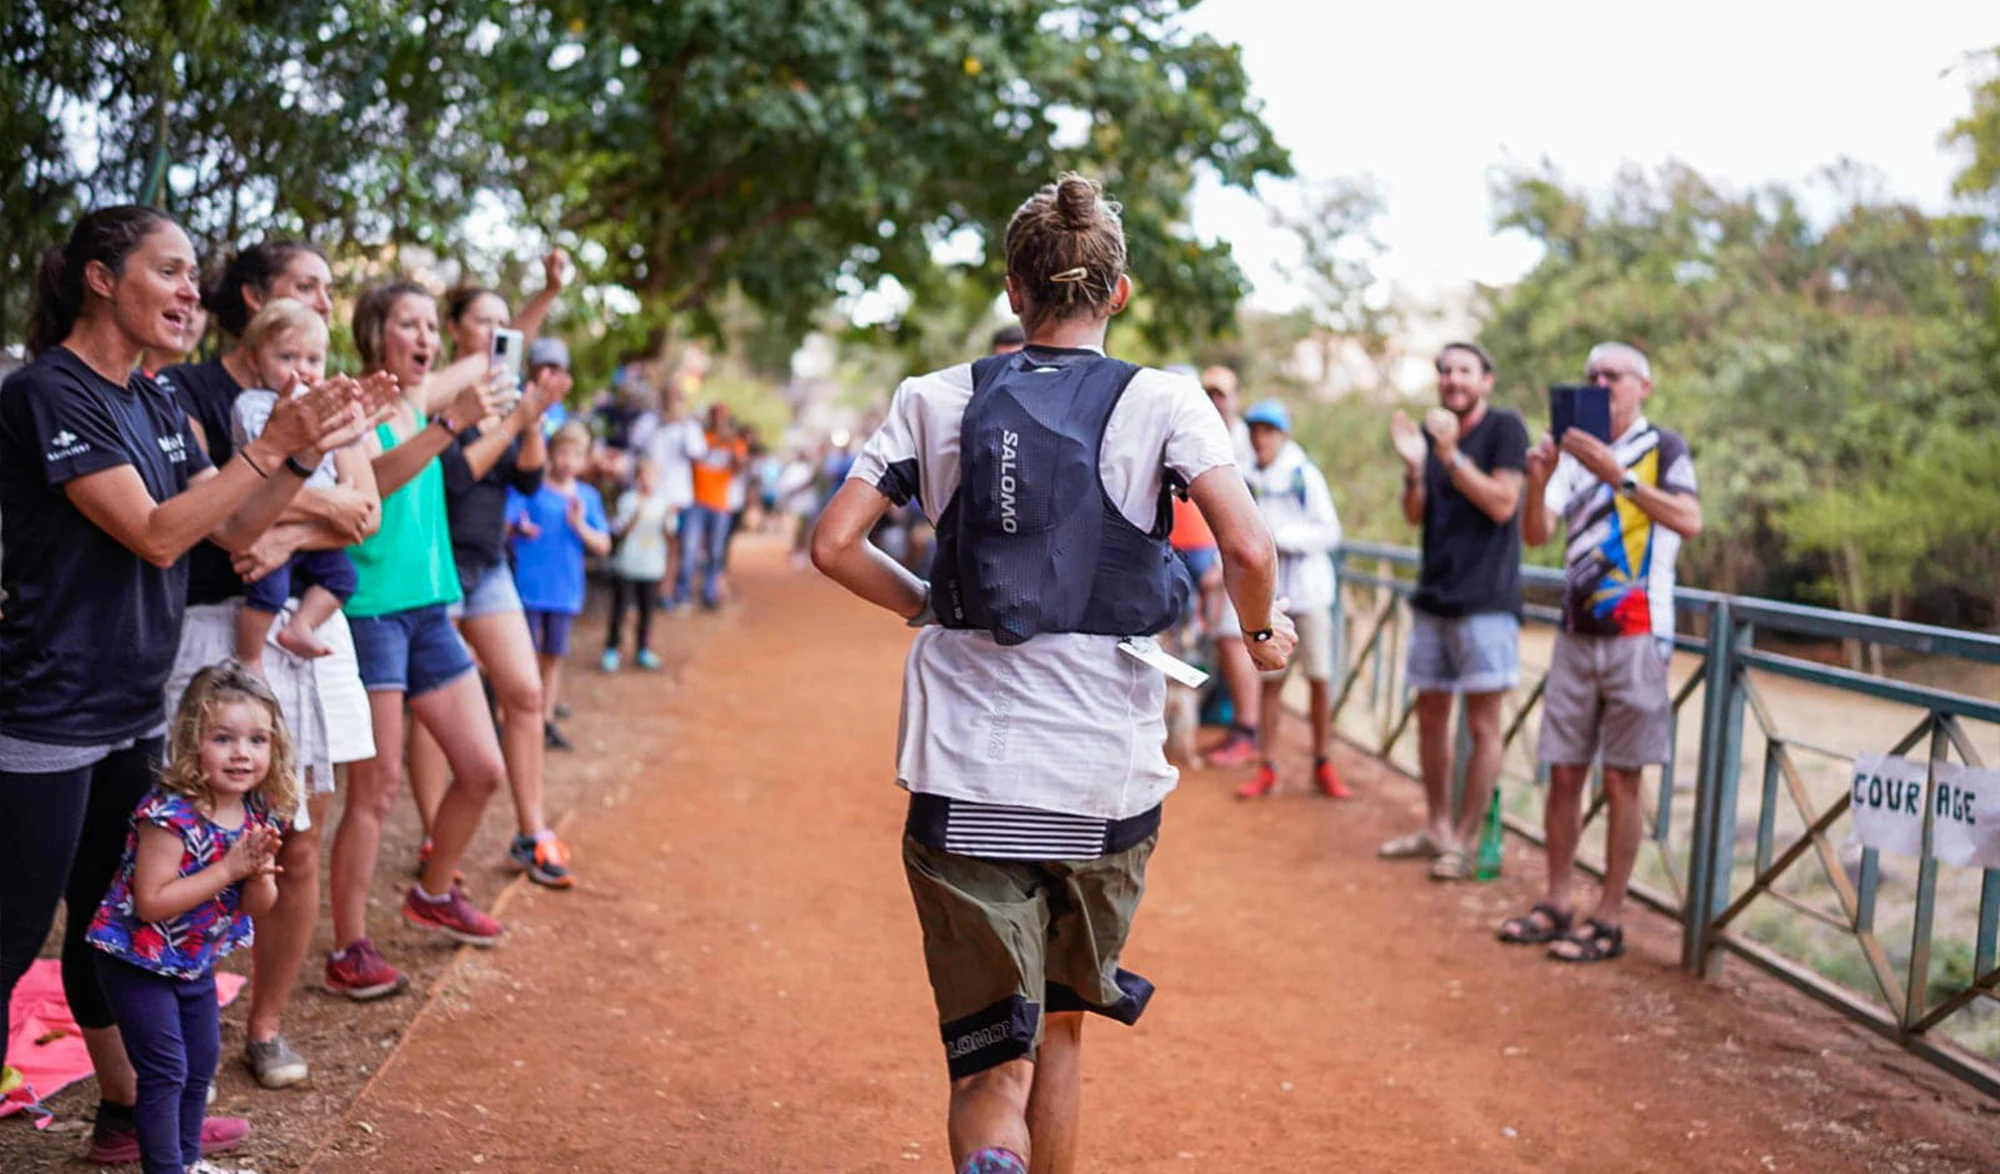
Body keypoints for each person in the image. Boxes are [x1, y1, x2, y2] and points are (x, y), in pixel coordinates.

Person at [813, 173, 1293, 1174]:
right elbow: (1245, 549)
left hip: (965, 775)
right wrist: (1261, 638)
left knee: (992, 1063)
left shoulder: (934, 398)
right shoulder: (1166, 399)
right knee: (1064, 1030)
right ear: (1116, 292)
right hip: (1102, 781)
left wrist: (922, 601)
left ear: (1011, 290)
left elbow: (832, 544)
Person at [0, 207, 358, 1162]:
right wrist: (264, 450)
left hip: (130, 706)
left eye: (194, 272)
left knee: (111, 919)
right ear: (101, 280)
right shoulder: (49, 392)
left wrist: (295, 452)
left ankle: (125, 1115)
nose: (191, 290)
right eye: (169, 270)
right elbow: (155, 531)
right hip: (45, 707)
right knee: (13, 931)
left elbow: (234, 532)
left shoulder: (159, 400)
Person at [159, 237, 384, 1092]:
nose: (325, 304)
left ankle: (266, 1023)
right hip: (214, 623)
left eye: (328, 291)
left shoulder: (328, 385)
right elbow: (219, 520)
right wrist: (277, 512)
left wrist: (286, 525)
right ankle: (184, 1034)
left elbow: (362, 512)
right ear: (254, 301)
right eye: (307, 288)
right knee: (191, 838)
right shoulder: (186, 389)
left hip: (311, 626)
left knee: (297, 836)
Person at [326, 280, 512, 1000]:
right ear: (376, 334)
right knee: (376, 791)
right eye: (409, 324)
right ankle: (348, 949)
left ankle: (433, 893)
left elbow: (494, 352)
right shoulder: (354, 406)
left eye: (432, 326)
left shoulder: (421, 395)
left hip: (432, 609)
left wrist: (546, 295)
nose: (426, 337)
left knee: (481, 767)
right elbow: (367, 492)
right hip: (371, 611)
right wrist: (445, 428)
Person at [1498, 341, 1702, 963]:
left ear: (1644, 385)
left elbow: (1689, 520)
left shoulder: (1663, 448)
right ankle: (1557, 901)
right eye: (1591, 375)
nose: (1600, 383)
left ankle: (1609, 916)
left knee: (1622, 778)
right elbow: (1537, 533)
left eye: (1613, 375)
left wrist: (1621, 477)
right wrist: (1537, 481)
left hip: (1639, 633)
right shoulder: (1572, 449)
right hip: (1575, 634)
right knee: (1563, 771)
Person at [86, 662, 294, 1174]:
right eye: (223, 738)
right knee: (165, 1072)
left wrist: (259, 874)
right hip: (137, 960)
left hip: (192, 963)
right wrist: (228, 868)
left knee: (200, 1065)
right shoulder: (170, 814)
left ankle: (187, 1161)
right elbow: (151, 901)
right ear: (192, 740)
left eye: (257, 740)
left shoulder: (255, 813)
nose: (242, 753)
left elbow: (255, 907)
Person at [405, 265, 574, 892]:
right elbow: (454, 477)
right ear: (453, 330)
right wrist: (512, 417)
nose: (497, 332)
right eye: (483, 320)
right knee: (430, 712)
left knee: (525, 693)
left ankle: (531, 831)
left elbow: (526, 482)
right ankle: (432, 834)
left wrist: (531, 416)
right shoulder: (434, 393)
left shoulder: (504, 392)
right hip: (435, 563)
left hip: (490, 562)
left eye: (505, 323)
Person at [1379, 342, 1529, 881]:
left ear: (1486, 380)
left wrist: (1448, 456)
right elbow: (1415, 514)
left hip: (1487, 602)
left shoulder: (1506, 430)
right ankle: (1437, 829)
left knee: (1485, 725)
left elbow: (1503, 503)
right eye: (1445, 371)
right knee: (1431, 719)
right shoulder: (1432, 436)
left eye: (1464, 371)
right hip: (1434, 597)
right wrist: (1416, 469)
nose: (1452, 380)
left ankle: (1464, 842)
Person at [231, 302, 361, 672]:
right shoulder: (253, 404)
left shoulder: (320, 405)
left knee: (343, 577)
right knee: (266, 590)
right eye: (288, 357)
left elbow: (348, 442)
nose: (302, 368)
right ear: (256, 362)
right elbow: (269, 443)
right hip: (272, 522)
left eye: (313, 359)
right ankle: (249, 656)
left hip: (313, 529)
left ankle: (300, 626)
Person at [1235, 399, 1348, 800]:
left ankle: (1323, 761)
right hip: (1274, 595)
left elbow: (1329, 531)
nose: (1259, 438)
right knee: (1270, 680)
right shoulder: (1246, 477)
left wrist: (1281, 539)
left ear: (1282, 435)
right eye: (1255, 430)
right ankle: (1267, 765)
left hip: (1312, 592)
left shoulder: (1304, 476)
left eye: (1267, 431)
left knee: (1320, 678)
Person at [507, 421, 611, 747]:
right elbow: (508, 523)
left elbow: (604, 545)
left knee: (553, 656)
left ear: (584, 461)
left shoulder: (587, 498)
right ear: (551, 454)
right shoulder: (531, 489)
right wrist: (518, 529)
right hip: (527, 589)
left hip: (564, 591)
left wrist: (580, 525)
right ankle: (510, 716)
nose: (567, 461)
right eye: (562, 452)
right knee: (523, 657)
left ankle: (546, 718)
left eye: (575, 455)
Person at [1197, 365, 1265, 767]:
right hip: (1217, 553)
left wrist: (1223, 567)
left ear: (1237, 396)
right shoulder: (1203, 432)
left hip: (1241, 556)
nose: (1216, 401)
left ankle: (1248, 729)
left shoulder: (1247, 443)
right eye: (1210, 393)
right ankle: (1240, 724)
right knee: (1224, 640)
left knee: (1238, 639)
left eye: (1223, 393)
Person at [604, 453, 673, 671]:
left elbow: (670, 534)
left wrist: (667, 519)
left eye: (652, 475)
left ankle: (643, 649)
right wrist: (636, 515)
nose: (648, 480)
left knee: (647, 610)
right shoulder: (628, 501)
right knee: (620, 608)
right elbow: (620, 531)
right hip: (628, 563)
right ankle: (612, 648)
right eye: (644, 475)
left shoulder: (663, 504)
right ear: (637, 477)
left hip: (652, 565)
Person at [674, 403, 745, 609]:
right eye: (715, 416)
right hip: (696, 501)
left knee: (715, 552)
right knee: (689, 549)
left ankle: (709, 593)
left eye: (722, 417)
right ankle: (683, 593)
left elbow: (739, 468)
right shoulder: (700, 439)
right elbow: (693, 457)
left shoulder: (735, 443)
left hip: (720, 504)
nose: (718, 421)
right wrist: (716, 443)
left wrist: (730, 443)